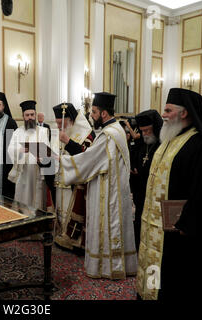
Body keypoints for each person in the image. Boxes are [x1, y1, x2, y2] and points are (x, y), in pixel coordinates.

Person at [136, 88, 202, 301]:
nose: (162, 114)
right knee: (153, 267)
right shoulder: (170, 139)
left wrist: (186, 225)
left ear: (184, 113)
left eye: (168, 110)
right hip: (155, 225)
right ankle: (150, 293)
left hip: (180, 232)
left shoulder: (198, 145)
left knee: (174, 281)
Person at [60, 92, 137, 279]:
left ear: (103, 113)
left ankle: (107, 267)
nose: (91, 115)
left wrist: (60, 162)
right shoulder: (117, 130)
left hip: (108, 190)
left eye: (94, 112)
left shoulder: (109, 135)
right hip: (114, 186)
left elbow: (89, 161)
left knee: (108, 225)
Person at [50, 103, 94, 252]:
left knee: (72, 207)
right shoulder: (62, 132)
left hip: (76, 182)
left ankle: (75, 240)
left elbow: (86, 156)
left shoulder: (85, 133)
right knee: (61, 207)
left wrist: (68, 142)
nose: (58, 126)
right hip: (60, 179)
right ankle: (62, 234)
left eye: (61, 123)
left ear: (70, 120)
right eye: (56, 123)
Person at [7, 100, 51, 210]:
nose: (30, 117)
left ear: (35, 115)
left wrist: (42, 158)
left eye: (32, 114)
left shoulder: (43, 131)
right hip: (23, 173)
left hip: (37, 173)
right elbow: (10, 149)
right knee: (22, 200)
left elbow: (47, 151)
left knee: (37, 201)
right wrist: (20, 150)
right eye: (27, 115)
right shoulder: (18, 131)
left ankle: (37, 221)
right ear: (23, 116)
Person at [132, 110, 163, 250]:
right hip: (140, 190)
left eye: (147, 130)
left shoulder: (163, 144)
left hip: (155, 191)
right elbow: (134, 156)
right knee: (139, 217)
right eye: (142, 131)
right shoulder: (142, 143)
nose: (144, 134)